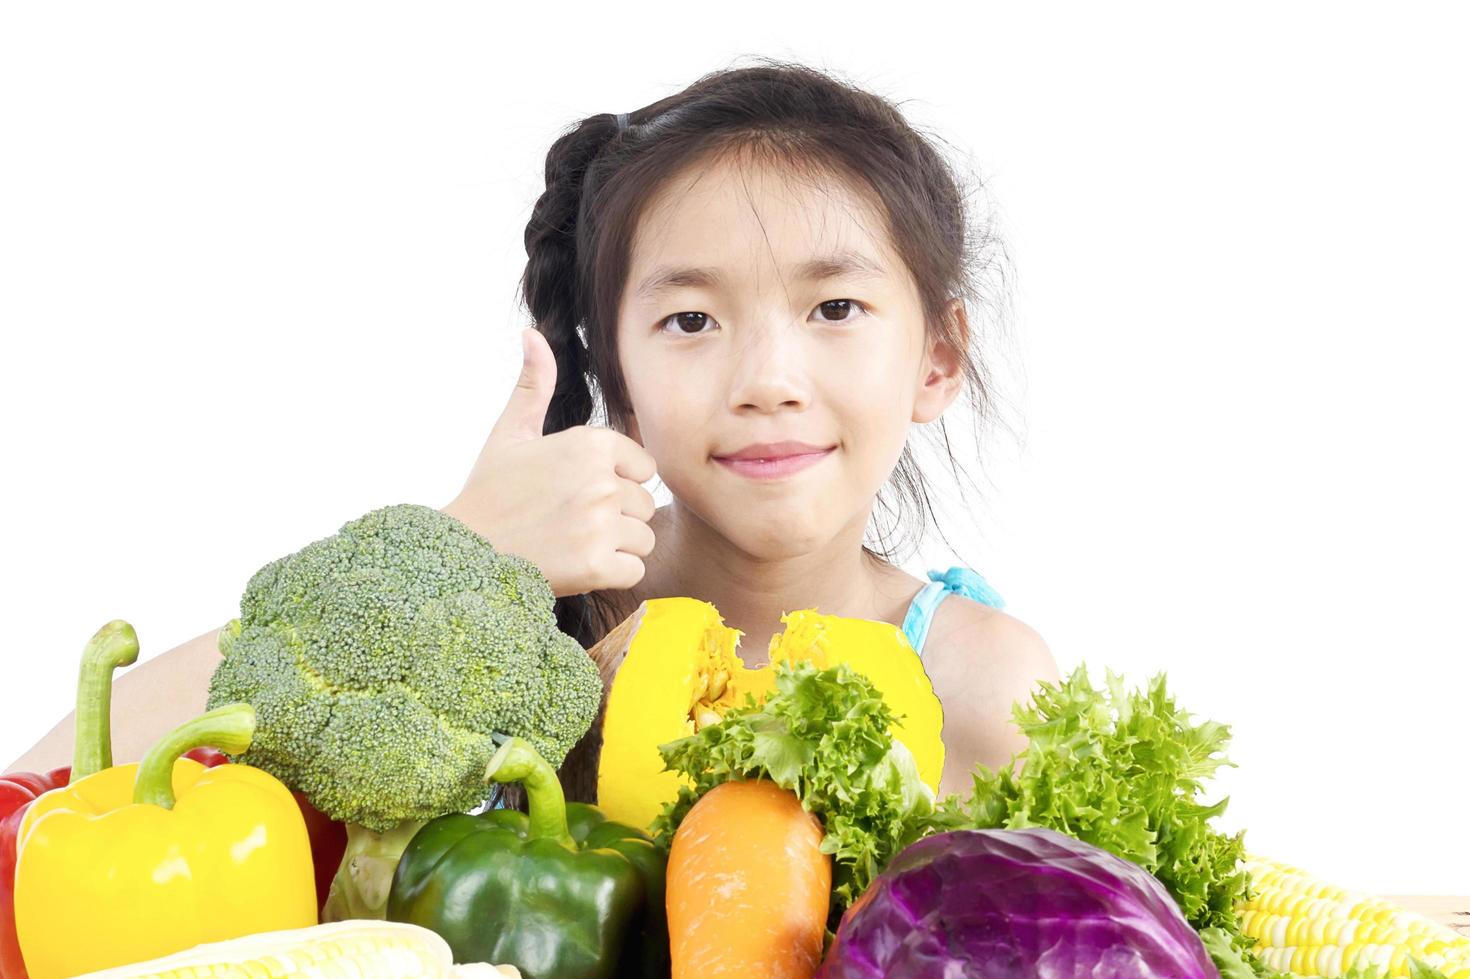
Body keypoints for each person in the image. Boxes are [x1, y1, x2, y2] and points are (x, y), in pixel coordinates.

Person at [8, 58, 1058, 798]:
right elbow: (48, 779)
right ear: (621, 381)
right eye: (690, 320)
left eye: (835, 309)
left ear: (938, 357)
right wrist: (452, 553)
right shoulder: (506, 639)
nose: (768, 380)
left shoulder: (981, 684)